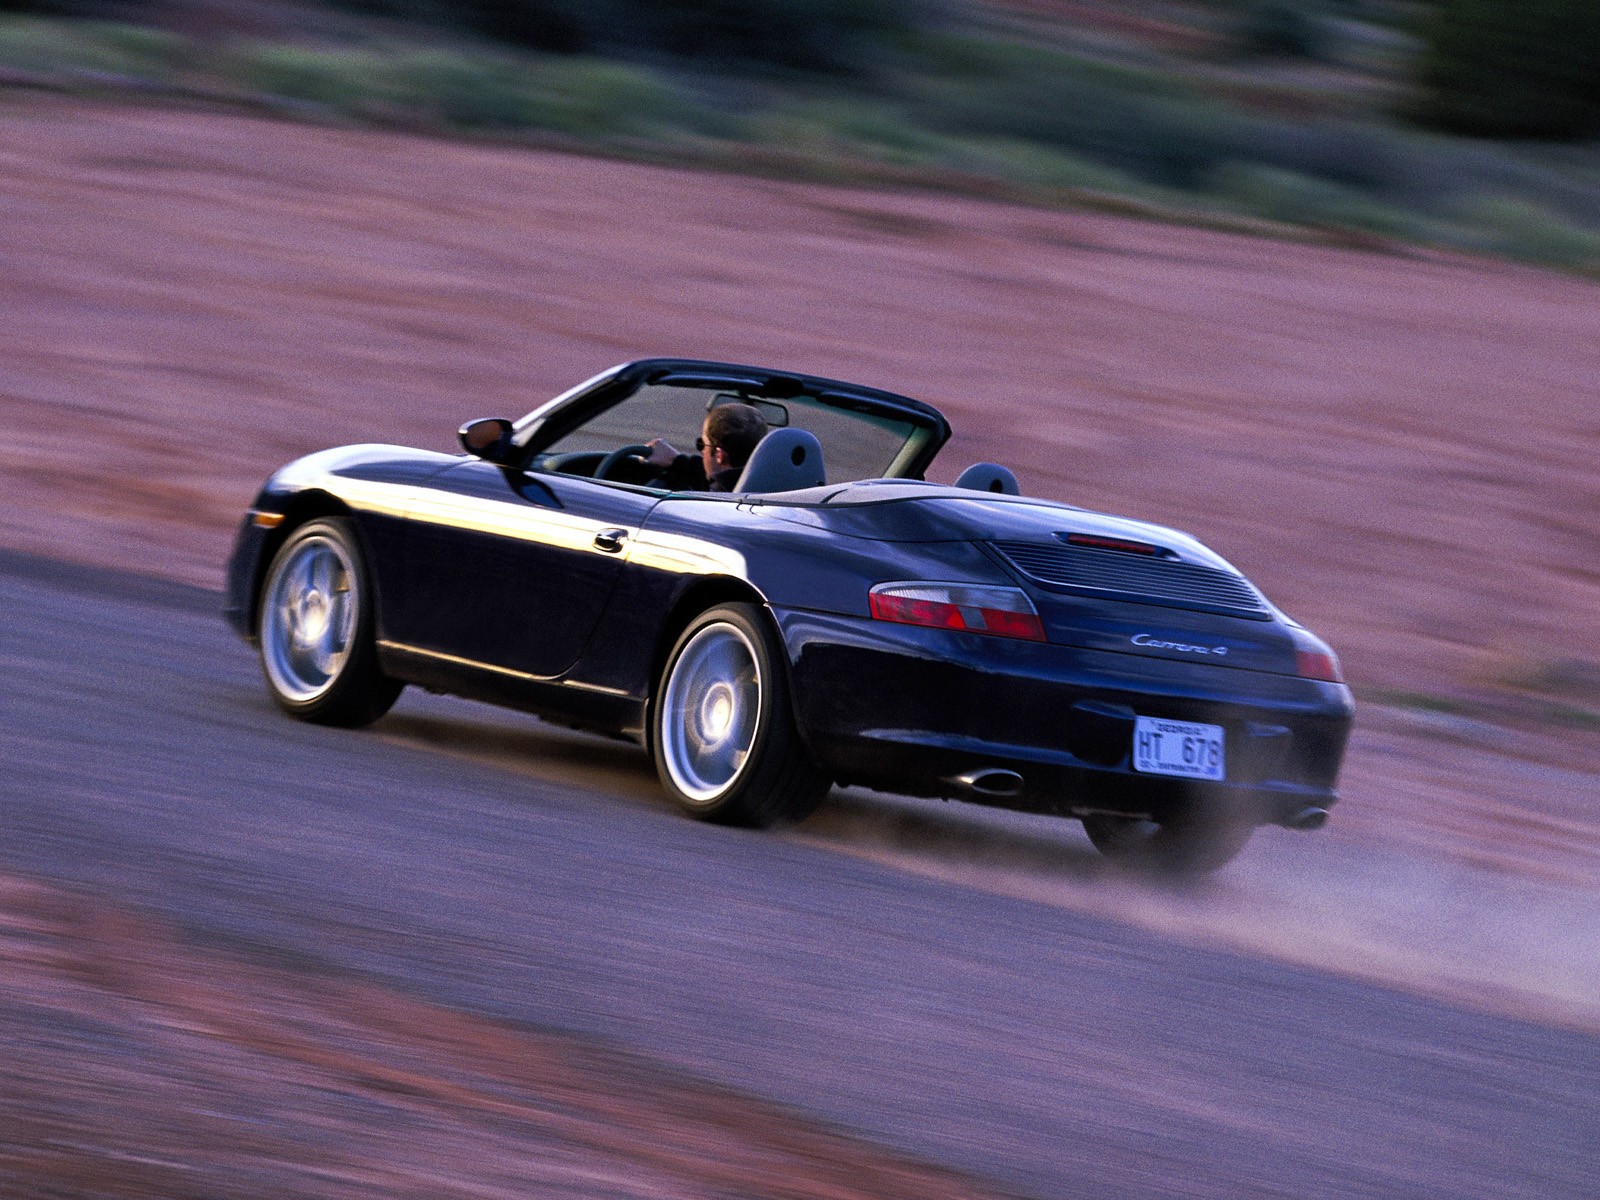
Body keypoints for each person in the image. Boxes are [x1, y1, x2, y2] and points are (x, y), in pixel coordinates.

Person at [641, 401, 767, 492]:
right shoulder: (773, 486)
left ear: (720, 456)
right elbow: (727, 478)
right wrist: (677, 461)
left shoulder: (710, 501)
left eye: (702, 444)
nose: (702, 452)